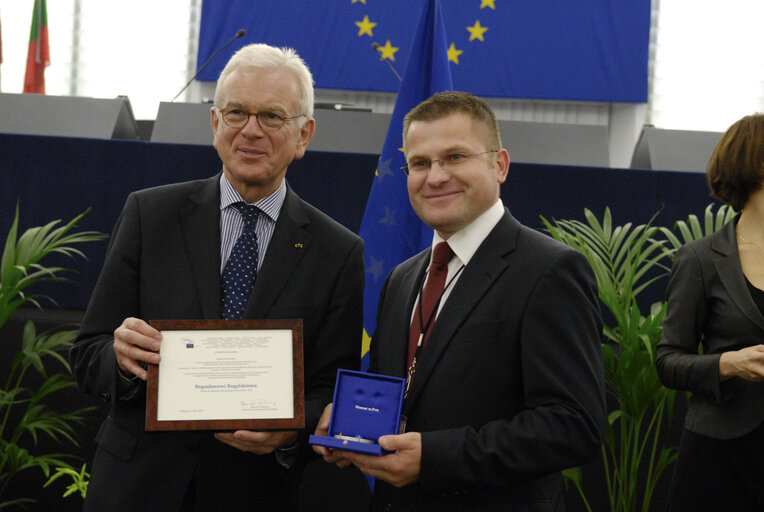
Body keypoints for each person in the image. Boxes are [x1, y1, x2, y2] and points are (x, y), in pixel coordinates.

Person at [69, 43, 364, 511]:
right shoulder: (150, 215)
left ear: (304, 134)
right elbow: (88, 353)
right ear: (214, 123)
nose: (251, 130)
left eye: (272, 116)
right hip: (136, 488)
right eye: (236, 112)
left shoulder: (339, 251)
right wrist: (121, 359)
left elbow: (331, 384)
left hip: (253, 491)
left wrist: (292, 428)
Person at [313, 91, 606, 511]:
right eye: (420, 163)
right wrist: (346, 425)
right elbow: (395, 394)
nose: (434, 177)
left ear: (499, 164)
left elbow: (574, 426)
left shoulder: (549, 271)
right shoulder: (402, 278)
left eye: (454, 157)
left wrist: (435, 458)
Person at [656, 113, 764, 511]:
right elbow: (668, 361)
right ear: (757, 164)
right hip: (719, 455)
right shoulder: (700, 259)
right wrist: (728, 364)